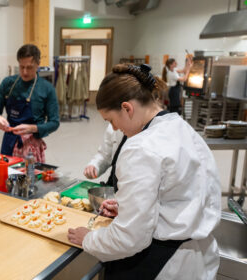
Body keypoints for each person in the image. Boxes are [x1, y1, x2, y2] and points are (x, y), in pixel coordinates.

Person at [68, 64, 221, 279]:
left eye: (112, 121)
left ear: (127, 108)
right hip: (196, 259)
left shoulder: (140, 147)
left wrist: (88, 239)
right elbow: (178, 197)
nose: (115, 129)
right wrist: (127, 208)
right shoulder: (181, 127)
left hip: (162, 263)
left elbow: (129, 238)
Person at [0, 44, 59, 163]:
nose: (25, 72)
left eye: (29, 67)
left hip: (31, 146)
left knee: (30, 178)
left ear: (38, 64)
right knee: (7, 178)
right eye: (21, 67)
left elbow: (54, 122)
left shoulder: (46, 89)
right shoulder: (8, 83)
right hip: (9, 142)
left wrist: (33, 128)